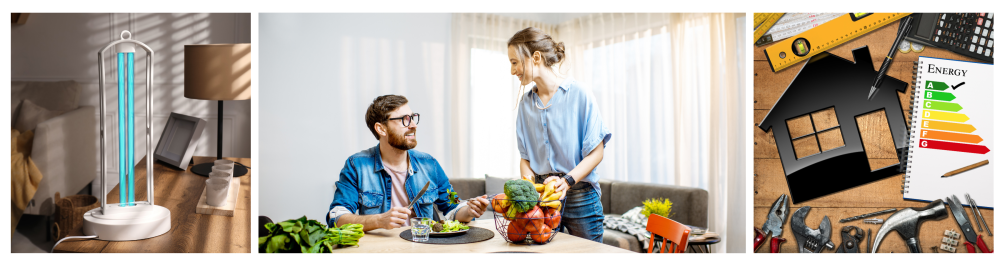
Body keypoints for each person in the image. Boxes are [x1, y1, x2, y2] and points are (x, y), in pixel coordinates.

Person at [507, 27, 611, 243]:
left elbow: (597, 152)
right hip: (543, 198)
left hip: (580, 194)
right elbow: (525, 158)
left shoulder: (579, 94)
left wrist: (567, 181)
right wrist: (530, 187)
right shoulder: (526, 104)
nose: (512, 70)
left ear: (535, 57)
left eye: (515, 62)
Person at [328, 95, 490, 231]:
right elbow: (336, 216)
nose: (413, 125)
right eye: (404, 120)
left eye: (412, 118)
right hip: (381, 252)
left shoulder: (429, 164)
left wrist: (469, 210)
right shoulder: (357, 165)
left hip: (424, 247)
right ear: (381, 129)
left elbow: (452, 207)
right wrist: (378, 220)